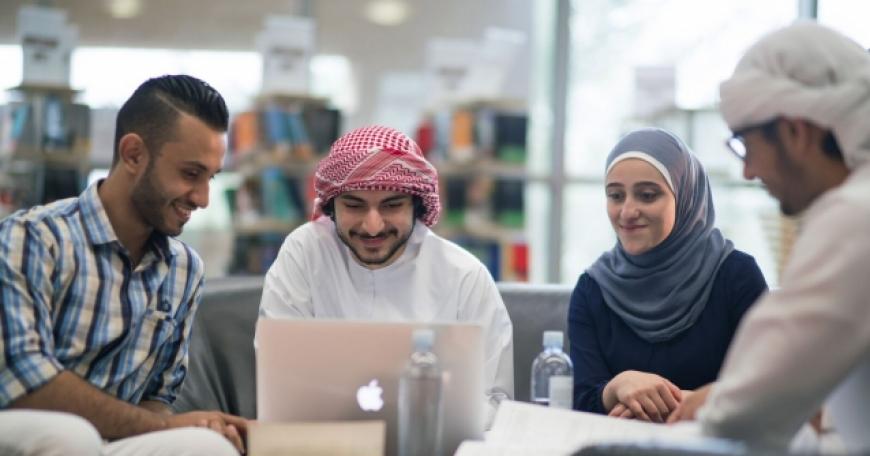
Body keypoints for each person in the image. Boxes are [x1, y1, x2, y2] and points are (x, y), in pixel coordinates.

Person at [0, 75, 247, 455]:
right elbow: (25, 380)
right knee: (71, 437)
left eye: (210, 177)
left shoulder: (184, 271)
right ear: (133, 154)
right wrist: (161, 426)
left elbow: (156, 398)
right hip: (21, 423)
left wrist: (194, 426)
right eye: (191, 174)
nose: (202, 198)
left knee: (207, 446)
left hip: (111, 442)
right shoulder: (31, 237)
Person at [667, 22, 870, 453]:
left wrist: (707, 406)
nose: (748, 172)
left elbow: (746, 412)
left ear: (796, 132)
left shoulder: (853, 216)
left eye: (746, 145)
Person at [258, 125, 514, 410]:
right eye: (354, 206)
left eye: (392, 206)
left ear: (416, 207)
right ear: (332, 208)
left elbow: (494, 401)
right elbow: (279, 377)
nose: (372, 226)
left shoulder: (465, 276)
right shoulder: (305, 253)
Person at [569, 128, 767, 423]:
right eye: (615, 195)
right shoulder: (593, 288)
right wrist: (618, 386)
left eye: (647, 195)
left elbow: (768, 391)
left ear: (685, 196)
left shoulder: (735, 277)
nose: (627, 211)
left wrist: (685, 404)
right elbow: (580, 404)